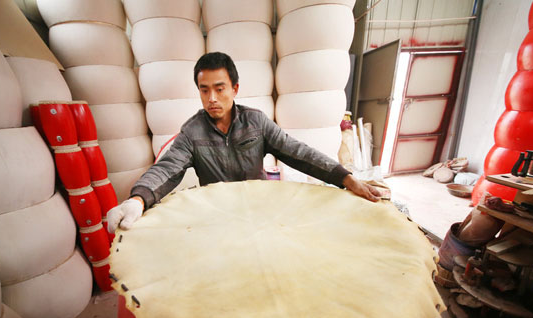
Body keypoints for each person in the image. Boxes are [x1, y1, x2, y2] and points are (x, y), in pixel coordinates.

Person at [107, 52, 381, 232]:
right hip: (216, 218)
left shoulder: (256, 122)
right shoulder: (192, 132)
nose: (212, 98)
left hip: (258, 212)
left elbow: (299, 153)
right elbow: (167, 168)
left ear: (234, 89)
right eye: (204, 90)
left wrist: (345, 178)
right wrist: (138, 199)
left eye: (219, 89)